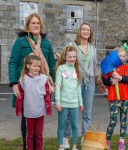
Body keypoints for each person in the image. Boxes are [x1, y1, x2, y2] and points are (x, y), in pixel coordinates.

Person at [8, 13, 55, 150]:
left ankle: (37, 147)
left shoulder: (46, 43)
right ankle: (27, 146)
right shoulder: (20, 42)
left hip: (41, 87)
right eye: (33, 23)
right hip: (25, 86)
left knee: (39, 119)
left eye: (38, 23)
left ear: (41, 26)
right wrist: (14, 83)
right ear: (28, 26)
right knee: (26, 119)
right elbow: (13, 62)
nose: (36, 25)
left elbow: (51, 64)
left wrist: (54, 82)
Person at [63, 23, 106, 149]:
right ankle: (66, 137)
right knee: (72, 111)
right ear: (79, 31)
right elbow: (63, 62)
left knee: (87, 112)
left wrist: (99, 82)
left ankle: (85, 137)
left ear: (90, 32)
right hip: (75, 82)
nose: (86, 31)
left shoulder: (93, 48)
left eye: (88, 30)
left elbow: (94, 66)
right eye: (83, 29)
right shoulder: (71, 46)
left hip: (90, 83)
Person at [16, 54, 52, 150]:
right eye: (35, 66)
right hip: (29, 112)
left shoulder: (44, 78)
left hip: (40, 111)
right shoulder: (23, 79)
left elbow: (47, 95)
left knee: (39, 134)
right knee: (30, 134)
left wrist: (48, 110)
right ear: (28, 66)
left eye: (39, 66)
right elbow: (20, 97)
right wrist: (19, 110)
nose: (37, 68)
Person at [55, 46, 84, 150]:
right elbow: (57, 86)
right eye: (70, 57)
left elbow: (78, 87)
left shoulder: (77, 70)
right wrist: (57, 102)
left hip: (74, 103)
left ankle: (75, 146)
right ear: (65, 57)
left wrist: (81, 102)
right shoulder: (61, 69)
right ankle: (61, 145)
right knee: (61, 125)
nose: (72, 59)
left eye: (74, 57)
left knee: (75, 125)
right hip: (63, 102)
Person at [102, 47, 128, 150]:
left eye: (123, 56)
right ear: (115, 57)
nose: (121, 58)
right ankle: (107, 140)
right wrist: (111, 81)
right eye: (119, 56)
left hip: (124, 97)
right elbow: (105, 81)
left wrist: (120, 77)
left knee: (123, 120)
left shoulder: (126, 67)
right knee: (113, 120)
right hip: (113, 98)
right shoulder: (110, 67)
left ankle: (121, 141)